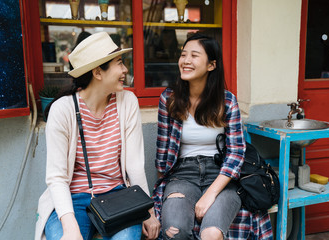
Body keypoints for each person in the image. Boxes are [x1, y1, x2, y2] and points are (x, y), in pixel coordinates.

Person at [35, 32, 160, 240]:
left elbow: (135, 166)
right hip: (72, 199)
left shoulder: (127, 102)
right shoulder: (62, 110)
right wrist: (70, 227)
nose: (125, 70)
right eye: (119, 63)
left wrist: (148, 212)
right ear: (97, 72)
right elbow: (56, 177)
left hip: (118, 197)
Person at [152, 33, 274, 240]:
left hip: (221, 176)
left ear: (211, 65)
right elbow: (162, 157)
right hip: (183, 175)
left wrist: (210, 194)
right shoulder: (169, 99)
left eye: (194, 55)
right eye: (183, 55)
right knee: (174, 232)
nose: (186, 61)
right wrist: (165, 191)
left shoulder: (227, 101)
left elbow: (236, 152)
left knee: (211, 234)